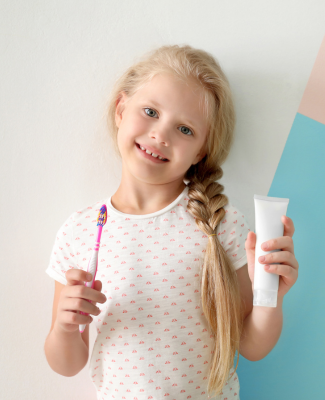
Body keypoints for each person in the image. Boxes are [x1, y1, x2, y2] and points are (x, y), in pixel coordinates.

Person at [44, 44, 299, 400]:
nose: (161, 135)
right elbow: (67, 364)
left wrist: (272, 298)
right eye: (150, 111)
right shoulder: (80, 231)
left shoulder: (221, 226)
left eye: (185, 129)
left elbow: (252, 347)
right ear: (121, 109)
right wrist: (65, 326)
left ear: (202, 151)